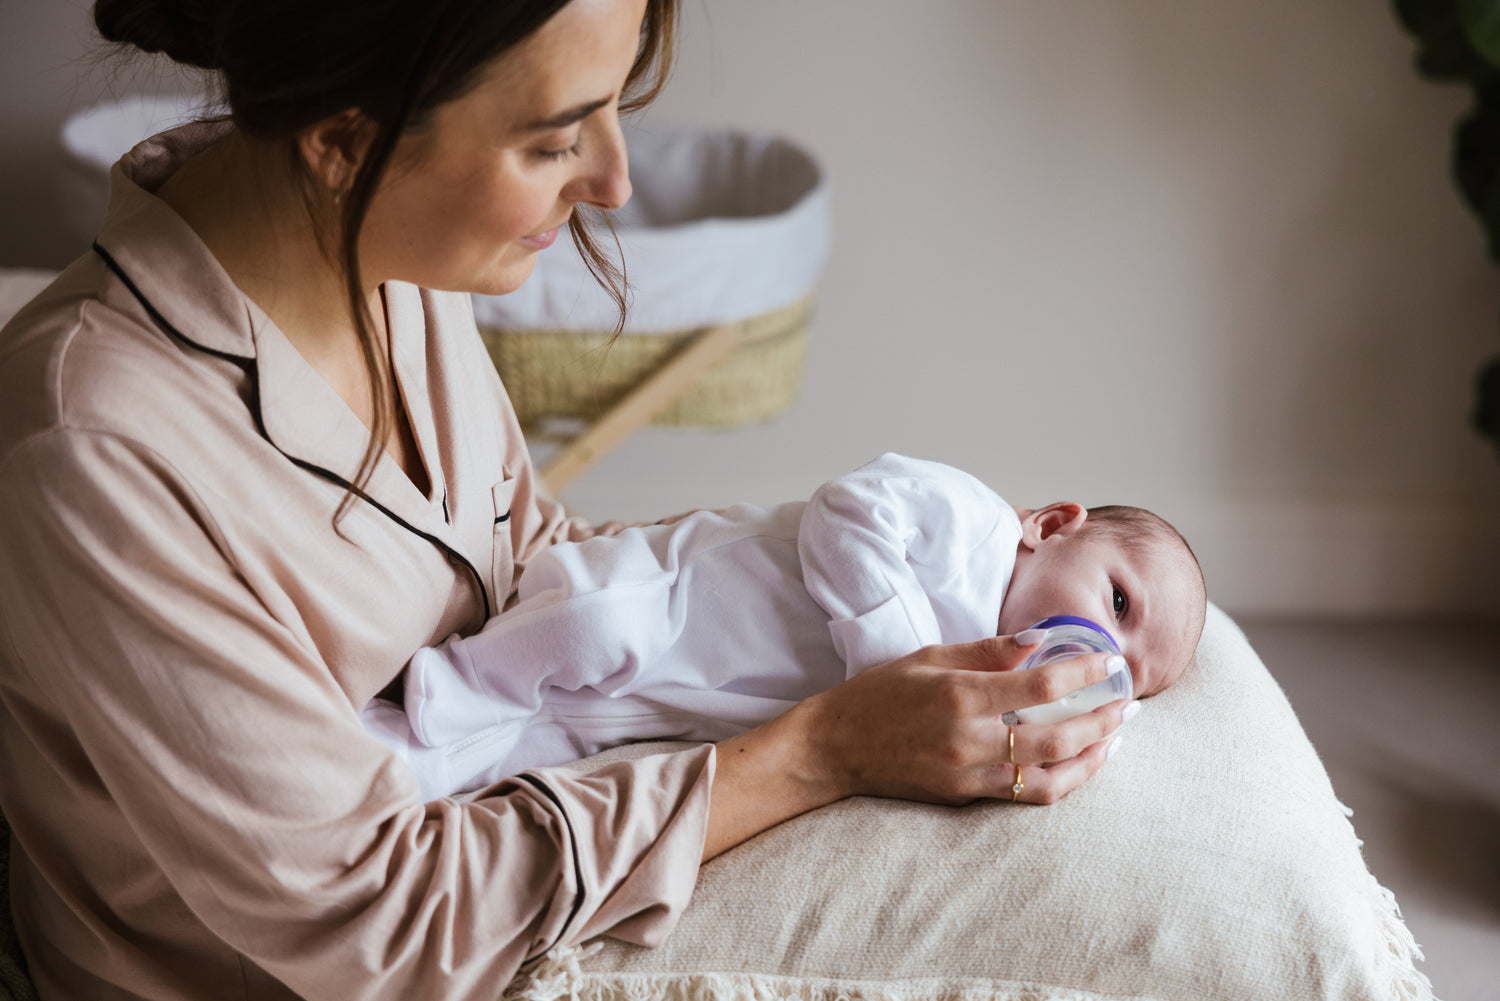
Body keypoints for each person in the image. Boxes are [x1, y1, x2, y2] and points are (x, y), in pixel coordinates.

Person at [0, 2, 1137, 998]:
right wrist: (824, 749)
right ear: (345, 139)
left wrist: (768, 595)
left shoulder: (382, 260)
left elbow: (519, 567)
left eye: (610, 111)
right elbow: (377, 921)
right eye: (554, 140)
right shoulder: (92, 445)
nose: (614, 180)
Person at [366, 452, 1207, 800]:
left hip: (689, 700)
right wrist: (902, 658)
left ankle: (397, 763)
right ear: (1054, 525)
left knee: (548, 738)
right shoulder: (973, 525)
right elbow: (846, 510)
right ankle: (449, 684)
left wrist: (1092, 717)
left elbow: (1083, 731)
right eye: (1119, 604)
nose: (1106, 645)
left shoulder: (1015, 678)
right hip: (669, 600)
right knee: (585, 634)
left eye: (1131, 665)